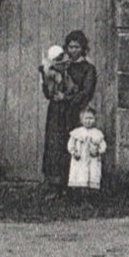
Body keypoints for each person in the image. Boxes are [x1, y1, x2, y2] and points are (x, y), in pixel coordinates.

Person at [41, 29, 97, 190]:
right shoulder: (60, 65)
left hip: (75, 113)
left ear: (83, 49)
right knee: (55, 147)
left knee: (75, 146)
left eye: (77, 47)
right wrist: (46, 79)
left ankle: (75, 188)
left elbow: (87, 92)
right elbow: (49, 92)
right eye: (70, 47)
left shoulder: (88, 69)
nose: (73, 50)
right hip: (56, 113)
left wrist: (66, 98)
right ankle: (54, 187)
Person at [66, 106, 107, 193]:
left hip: (92, 159)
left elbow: (103, 146)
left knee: (92, 174)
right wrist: (74, 152)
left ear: (95, 120)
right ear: (81, 120)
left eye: (91, 118)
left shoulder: (97, 133)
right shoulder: (77, 132)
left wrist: (97, 151)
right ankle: (79, 194)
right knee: (80, 175)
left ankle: (91, 195)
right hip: (80, 159)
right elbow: (70, 145)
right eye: (86, 118)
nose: (88, 121)